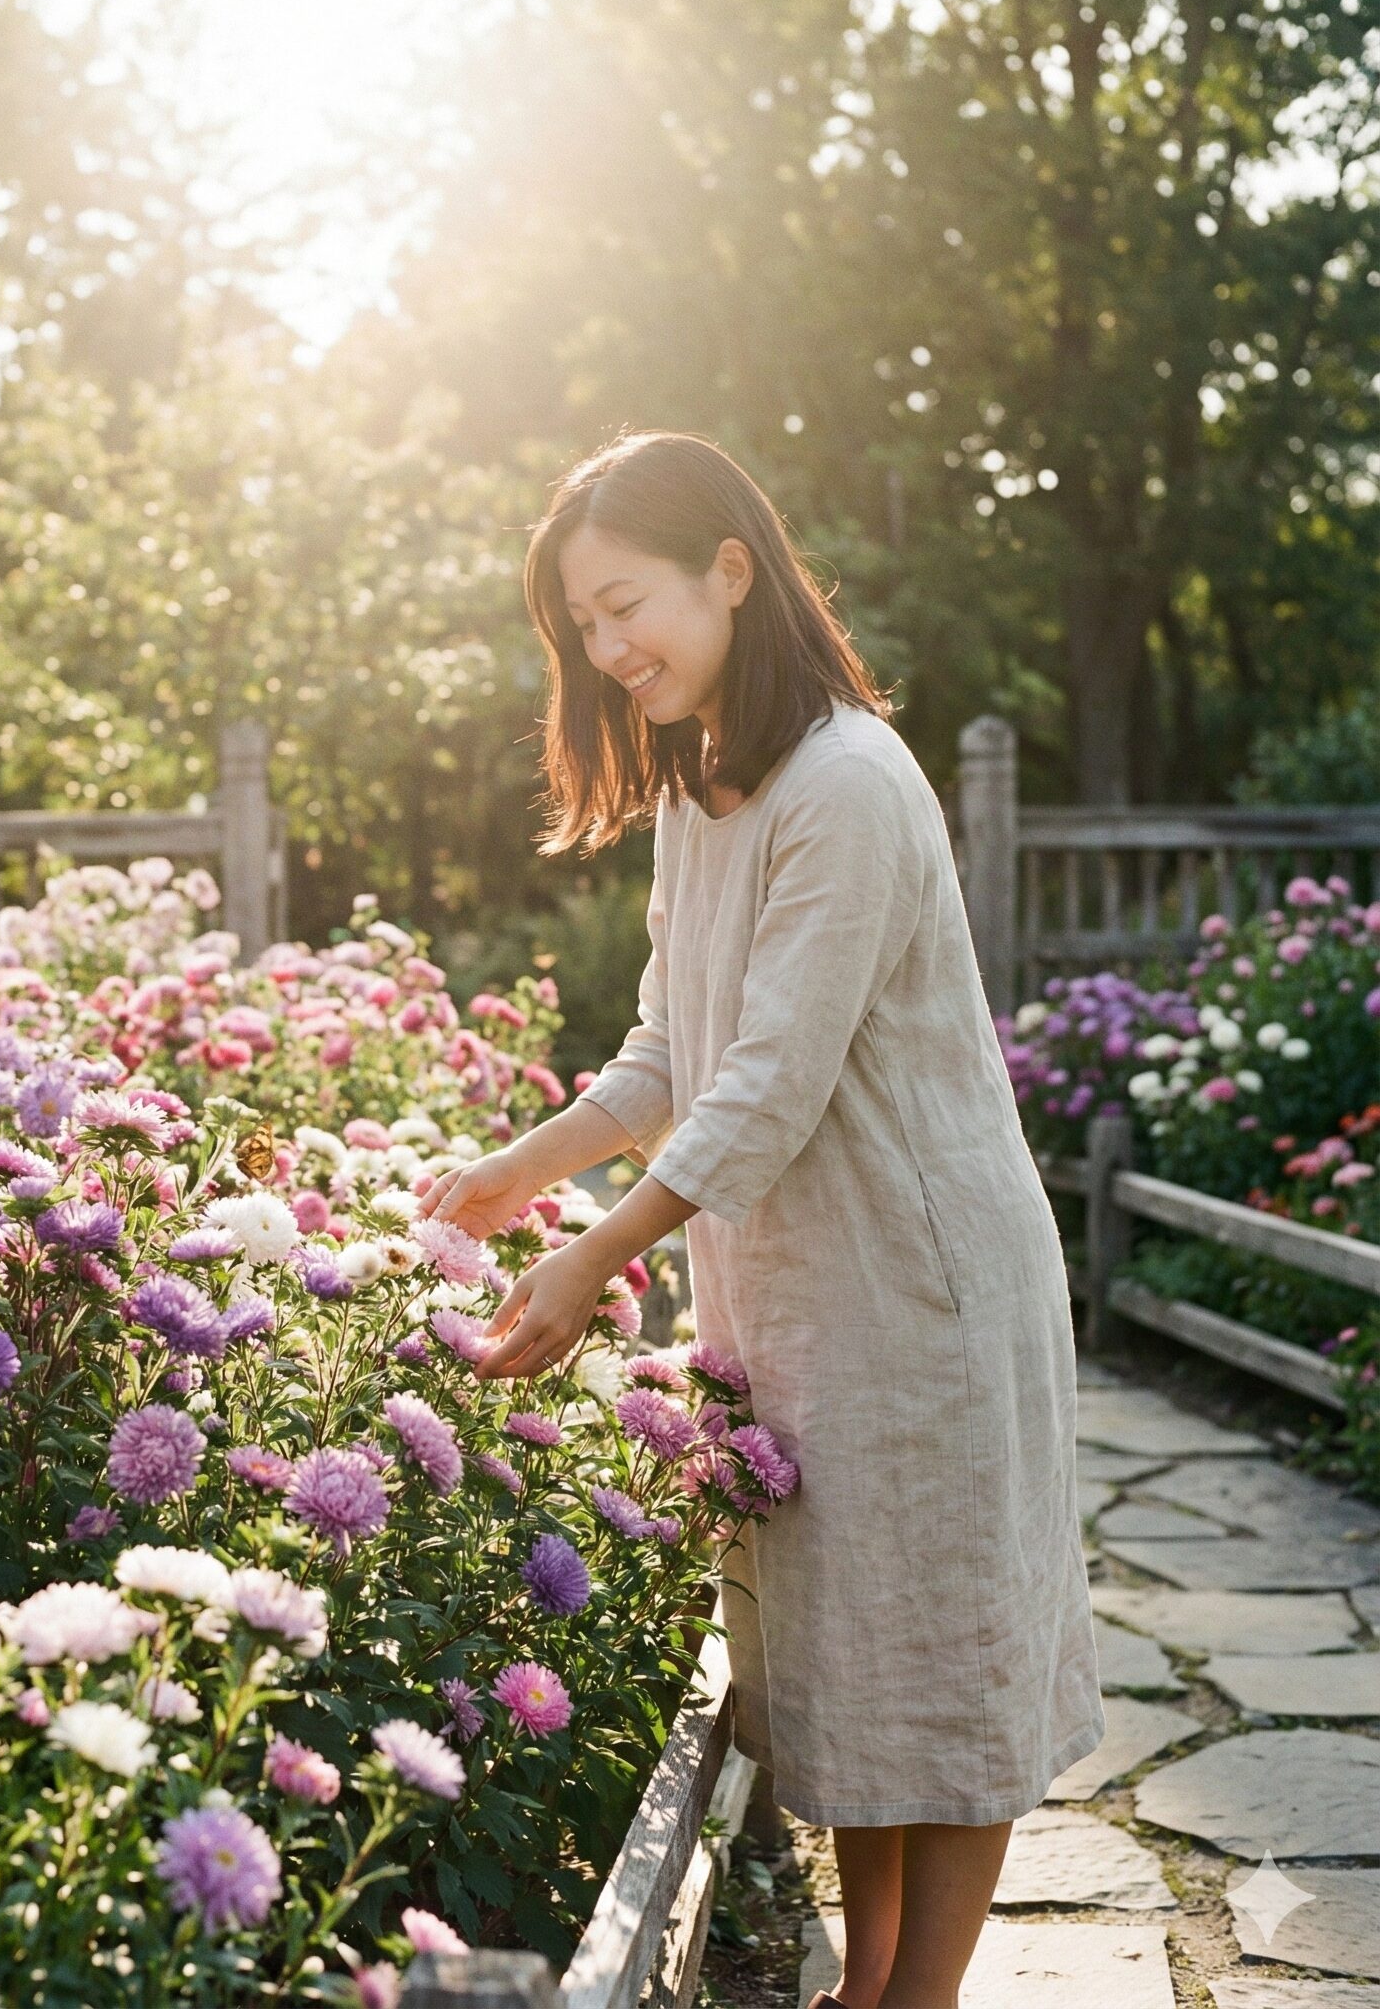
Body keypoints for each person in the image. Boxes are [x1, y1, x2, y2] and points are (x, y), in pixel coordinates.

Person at [414, 432, 1102, 2009]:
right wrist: (526, 1168)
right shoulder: (702, 783)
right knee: (857, 1660)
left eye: (624, 606)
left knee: (945, 1656)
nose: (606, 649)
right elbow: (674, 1050)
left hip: (920, 1284)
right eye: (582, 624)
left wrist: (598, 1252)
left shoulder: (848, 781)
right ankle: (873, 1985)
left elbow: (774, 1083)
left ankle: (913, 1999)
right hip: (798, 1286)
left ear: (729, 571)